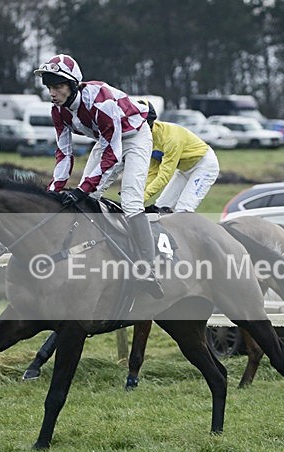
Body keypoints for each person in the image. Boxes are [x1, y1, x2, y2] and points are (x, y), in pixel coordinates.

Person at [35, 54, 163, 298]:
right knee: (88, 197)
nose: (52, 93)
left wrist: (81, 188)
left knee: (131, 201)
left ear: (73, 86)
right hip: (108, 139)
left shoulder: (100, 101)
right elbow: (64, 153)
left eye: (58, 87)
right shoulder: (58, 110)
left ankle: (148, 266)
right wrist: (53, 192)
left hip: (134, 137)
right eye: (49, 87)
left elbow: (113, 154)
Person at [142, 106, 219, 213]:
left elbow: (164, 175)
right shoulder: (149, 139)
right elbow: (153, 172)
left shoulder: (170, 138)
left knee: (183, 209)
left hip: (204, 166)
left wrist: (143, 197)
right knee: (161, 207)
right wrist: (138, 195)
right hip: (184, 169)